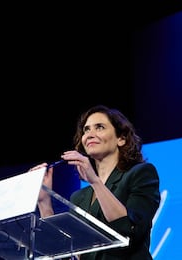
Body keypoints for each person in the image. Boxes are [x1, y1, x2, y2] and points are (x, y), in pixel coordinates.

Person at [31, 104, 161, 259]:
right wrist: (44, 202)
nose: (90, 134)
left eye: (99, 127)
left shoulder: (141, 174)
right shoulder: (79, 198)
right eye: (86, 130)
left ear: (121, 139)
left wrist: (95, 181)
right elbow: (67, 252)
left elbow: (129, 232)